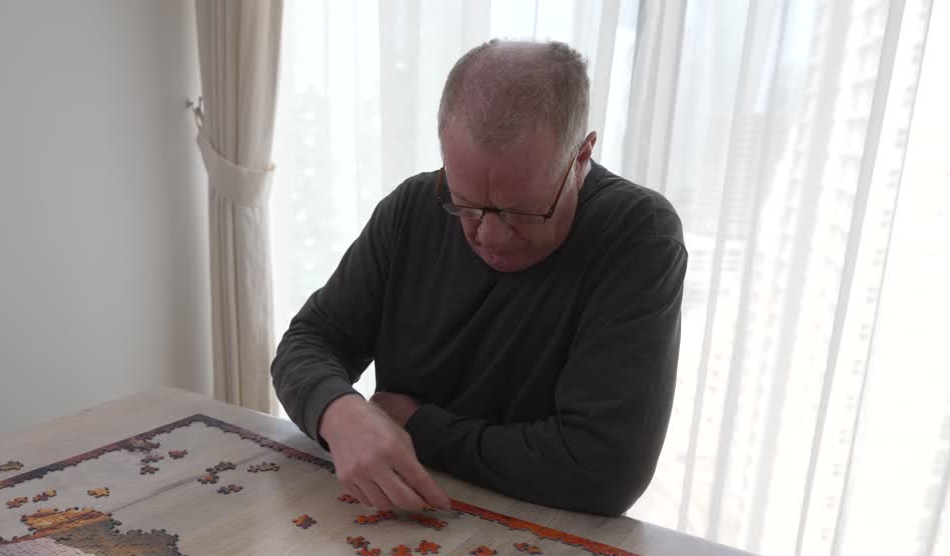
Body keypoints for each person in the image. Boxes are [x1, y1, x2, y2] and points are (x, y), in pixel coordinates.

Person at [271, 40, 687, 517]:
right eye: (464, 203)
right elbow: (308, 341)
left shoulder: (638, 234)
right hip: (397, 528)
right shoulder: (412, 207)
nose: (490, 236)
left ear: (582, 156)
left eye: (521, 212)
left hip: (548, 543)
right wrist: (338, 411)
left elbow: (605, 469)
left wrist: (417, 426)